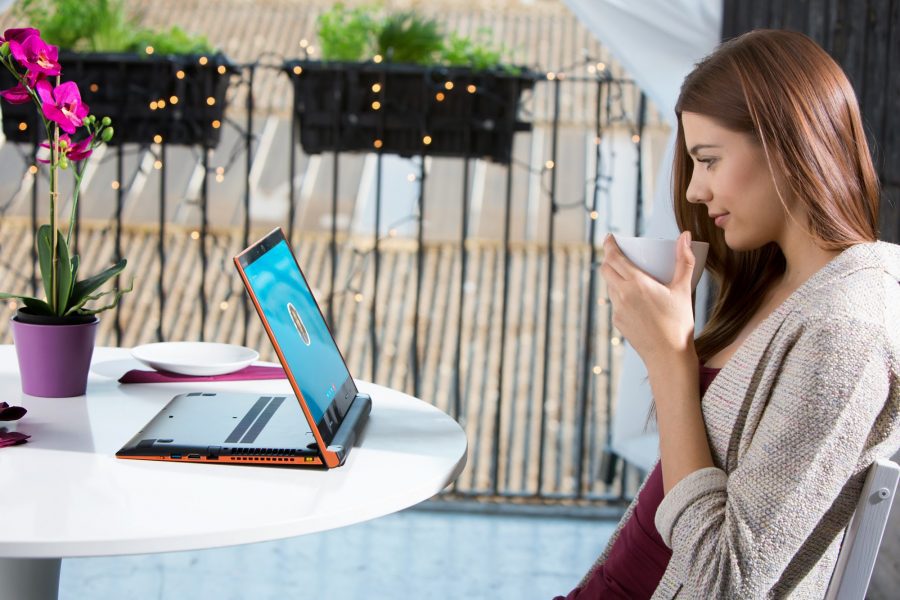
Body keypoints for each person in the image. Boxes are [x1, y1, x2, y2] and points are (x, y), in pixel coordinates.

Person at [557, 29, 900, 599]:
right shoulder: (782, 286)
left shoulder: (844, 332)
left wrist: (669, 358)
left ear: (789, 144)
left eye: (709, 160)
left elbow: (725, 581)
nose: (694, 190)